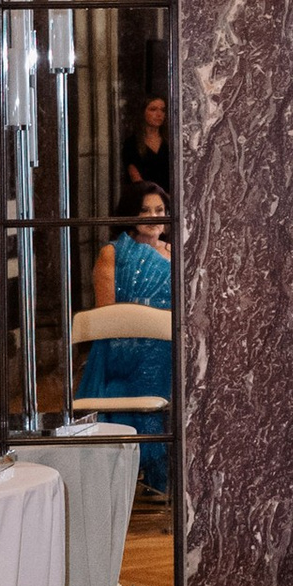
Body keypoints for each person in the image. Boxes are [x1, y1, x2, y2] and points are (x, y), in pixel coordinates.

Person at [79, 188, 172, 494]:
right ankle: (140, 467)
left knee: (166, 355)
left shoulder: (177, 253)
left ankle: (160, 471)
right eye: (145, 210)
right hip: (121, 348)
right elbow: (108, 314)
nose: (153, 217)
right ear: (131, 214)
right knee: (150, 356)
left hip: (165, 349)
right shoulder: (114, 252)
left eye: (159, 210)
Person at [118, 92, 170, 215]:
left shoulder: (171, 142)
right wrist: (159, 199)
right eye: (153, 109)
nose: (159, 115)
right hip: (143, 202)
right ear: (143, 112)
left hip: (172, 202)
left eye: (162, 110)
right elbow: (136, 179)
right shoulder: (132, 143)